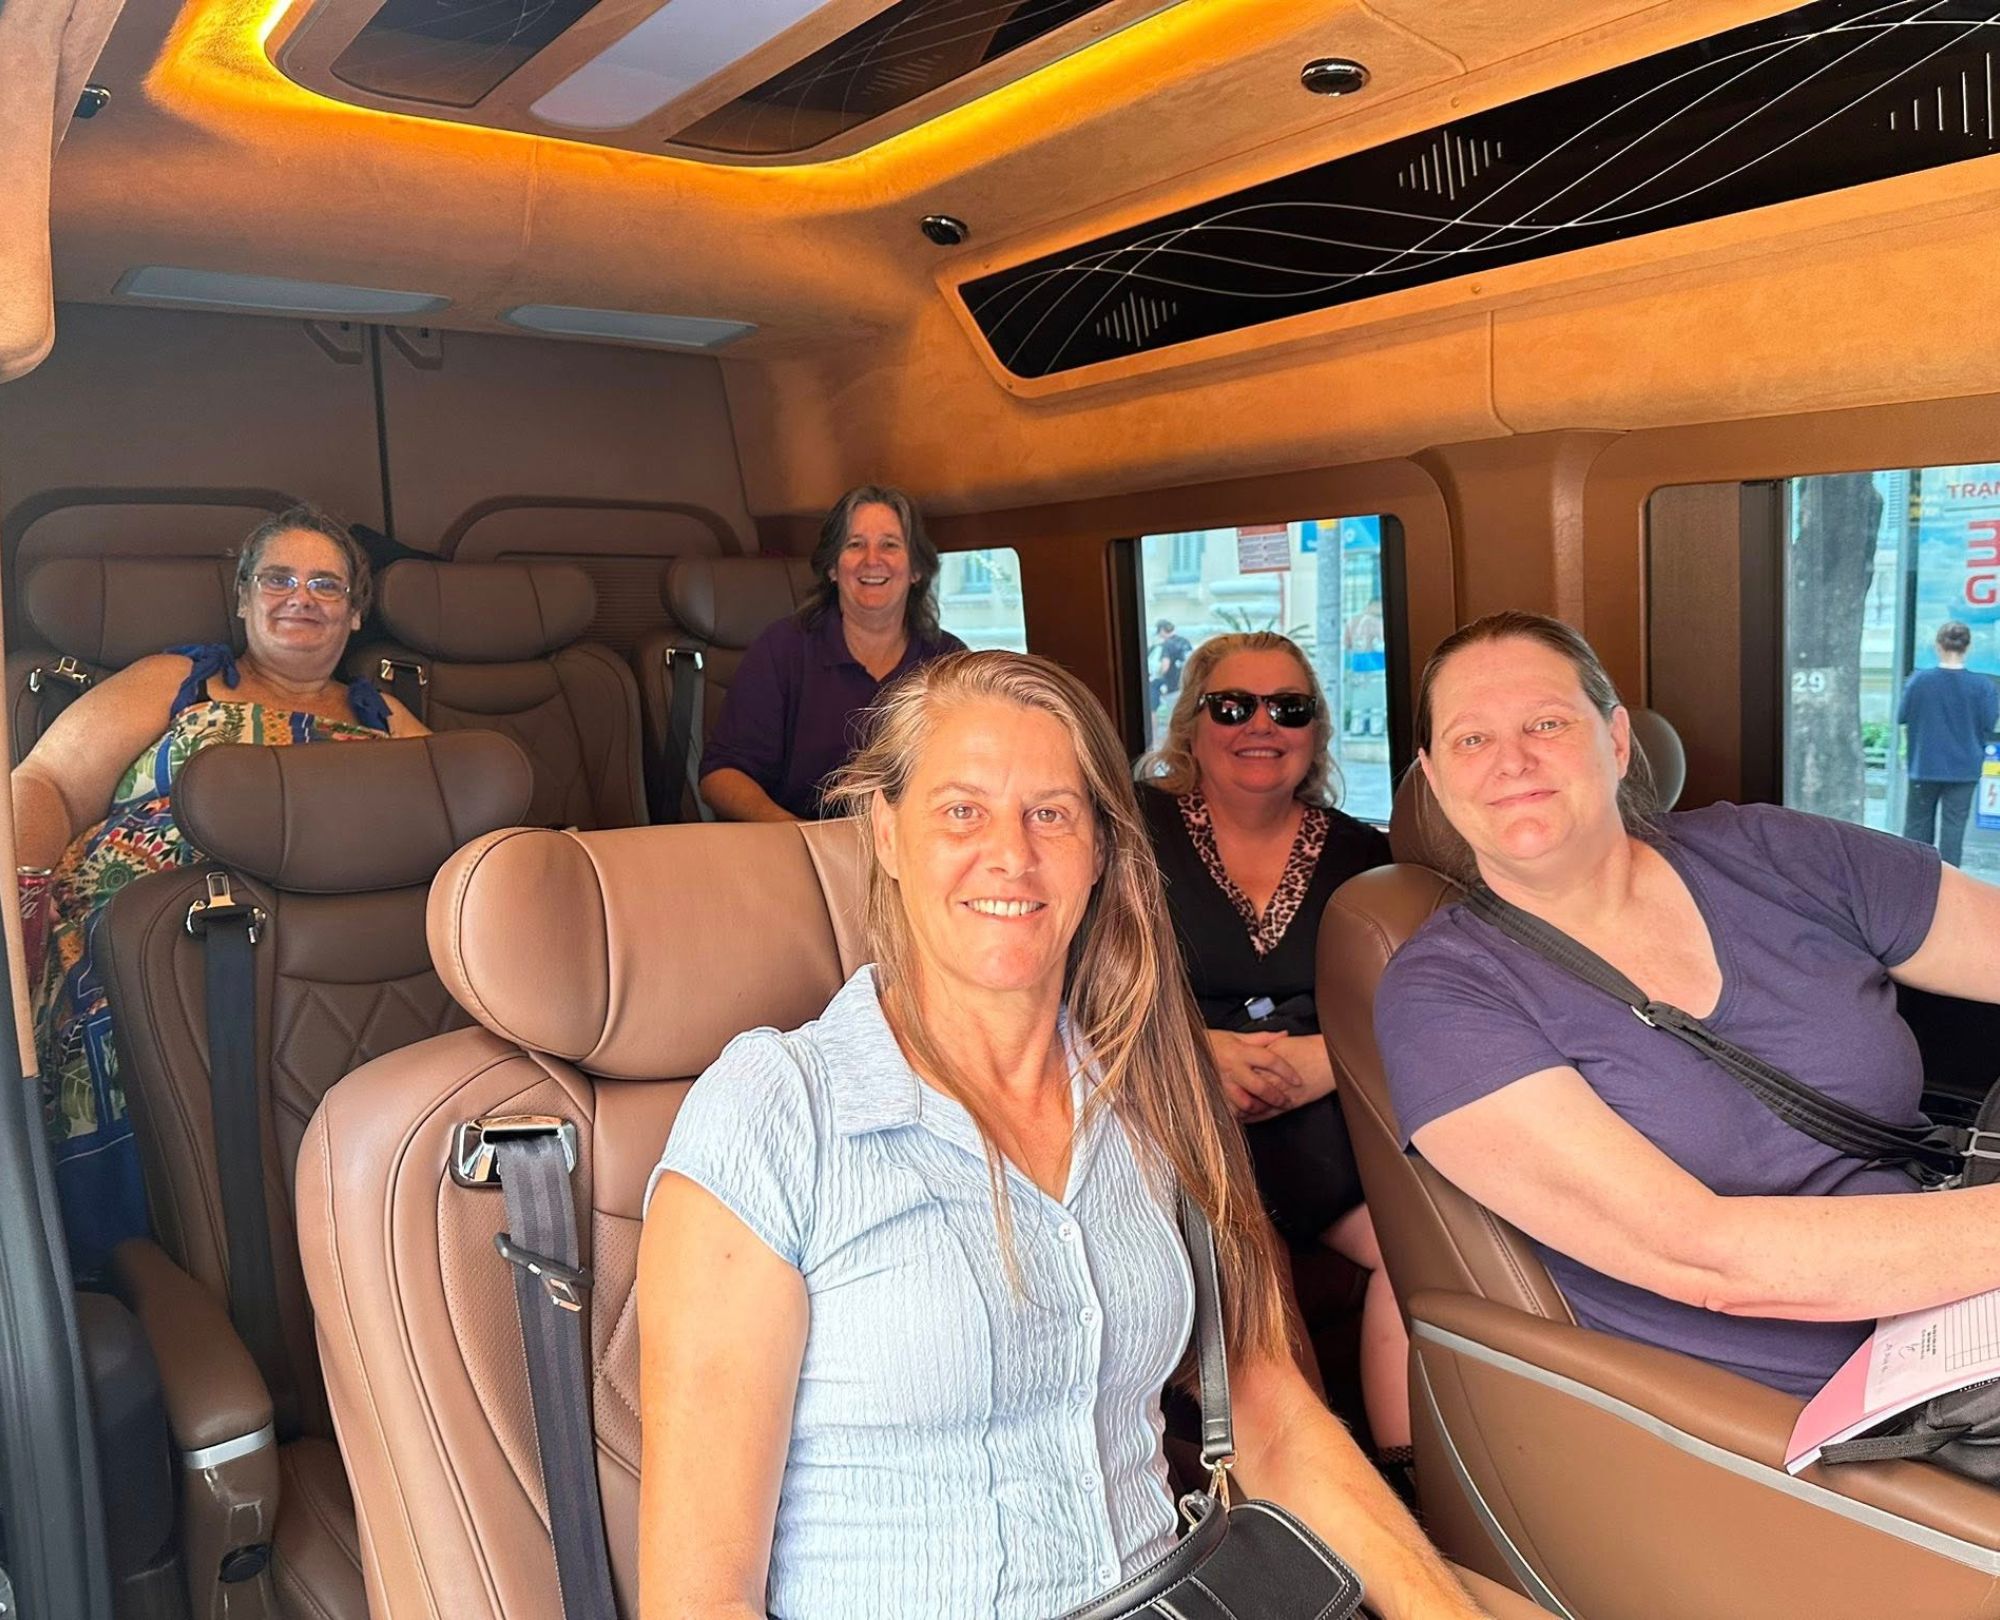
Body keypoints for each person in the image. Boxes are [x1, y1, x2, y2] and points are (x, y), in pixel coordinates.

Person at [639, 651, 1489, 1619]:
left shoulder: (1147, 1089)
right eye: (961, 810)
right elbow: (698, 1596)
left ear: (1099, 849)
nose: (1011, 853)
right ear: (884, 831)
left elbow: (1266, 1410)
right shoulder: (776, 1109)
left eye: (1050, 813)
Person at [1376, 610, 2000, 1399]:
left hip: (1959, 1313)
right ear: (1432, 779)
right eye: (1471, 739)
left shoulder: (1777, 853)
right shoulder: (1443, 994)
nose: (1512, 761)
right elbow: (1708, 1257)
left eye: (1546, 722)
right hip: (1804, 1420)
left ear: (1614, 740)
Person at [11, 505, 425, 1268]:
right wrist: (24, 903)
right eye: (278, 577)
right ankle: (129, 1266)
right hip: (148, 926)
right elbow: (47, 786)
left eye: (326, 584)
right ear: (242, 597)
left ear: (355, 612)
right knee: (119, 1012)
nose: (301, 596)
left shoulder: (385, 714)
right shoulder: (177, 680)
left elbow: (450, 817)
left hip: (328, 947)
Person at [1136, 632, 1407, 1462]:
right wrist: (1196, 1053)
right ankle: (1311, 1508)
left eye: (1289, 707)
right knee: (1249, 1255)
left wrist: (1334, 1059)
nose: (1262, 725)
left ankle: (1414, 1480)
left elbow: (1402, 997)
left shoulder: (1363, 852)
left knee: (1426, 1245)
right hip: (1181, 1113)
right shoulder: (1133, 833)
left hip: (1324, 1118)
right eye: (1233, 705)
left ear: (1316, 731)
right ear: (1193, 723)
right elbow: (1083, 986)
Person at [699, 485, 966, 821]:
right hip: (800, 848)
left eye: (890, 545)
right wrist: (799, 839)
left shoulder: (951, 662)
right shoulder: (783, 649)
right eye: (855, 545)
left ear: (916, 570)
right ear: (832, 568)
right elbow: (720, 776)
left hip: (915, 857)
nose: (872, 560)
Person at [1899, 620, 1998, 866]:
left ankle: (1914, 881)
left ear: (1937, 646)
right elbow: (1988, 723)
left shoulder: (1919, 681)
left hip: (1924, 765)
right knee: (1954, 830)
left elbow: (1902, 716)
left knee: (1917, 828)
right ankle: (1950, 884)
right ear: (1969, 647)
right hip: (1965, 769)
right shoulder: (1983, 686)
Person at [1147, 618, 1192, 718]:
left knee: (1174, 715)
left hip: (1171, 685)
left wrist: (1157, 677)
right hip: (1185, 683)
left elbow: (1165, 666)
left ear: (1162, 630)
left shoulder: (1167, 645)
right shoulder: (1185, 642)